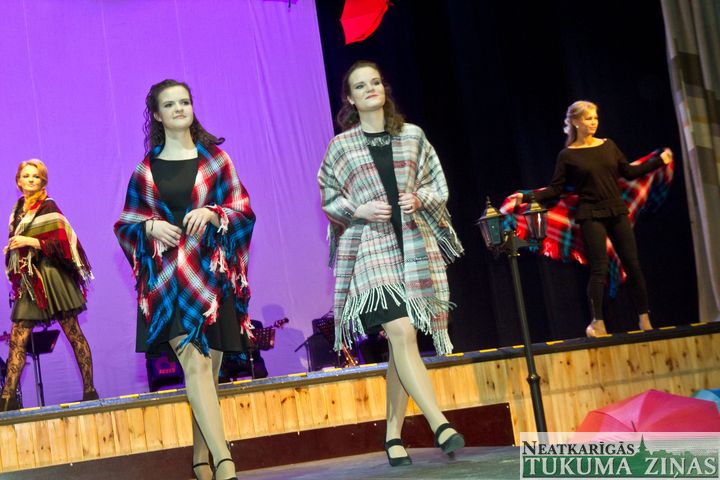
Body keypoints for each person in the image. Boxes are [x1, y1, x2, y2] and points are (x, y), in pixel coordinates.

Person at [318, 60, 466, 467]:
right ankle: (439, 423)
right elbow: (329, 197)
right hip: (370, 247)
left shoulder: (412, 136)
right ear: (350, 99)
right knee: (401, 330)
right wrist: (359, 209)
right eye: (360, 86)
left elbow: (437, 184)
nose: (370, 89)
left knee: (404, 344)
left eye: (375, 82)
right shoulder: (341, 147)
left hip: (413, 245)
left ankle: (392, 436)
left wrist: (419, 198)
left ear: (384, 88)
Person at [114, 79, 254, 480]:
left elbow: (243, 211)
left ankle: (200, 460)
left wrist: (214, 214)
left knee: (208, 375)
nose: (179, 109)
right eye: (170, 104)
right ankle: (226, 463)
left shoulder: (217, 161)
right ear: (157, 116)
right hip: (168, 285)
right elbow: (125, 225)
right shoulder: (145, 171)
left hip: (213, 282)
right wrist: (149, 228)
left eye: (185, 102)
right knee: (196, 365)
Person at [509, 100, 672, 337]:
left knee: (633, 266)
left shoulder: (608, 145)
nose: (594, 122)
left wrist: (659, 161)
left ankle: (644, 319)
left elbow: (629, 172)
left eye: (595, 118)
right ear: (575, 122)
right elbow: (555, 190)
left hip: (616, 211)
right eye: (588, 118)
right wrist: (525, 197)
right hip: (590, 215)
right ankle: (597, 323)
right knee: (599, 269)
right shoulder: (567, 155)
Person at [1, 159, 97, 411]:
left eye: (36, 176)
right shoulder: (17, 211)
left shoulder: (48, 206)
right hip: (30, 279)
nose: (31, 180)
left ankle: (90, 391)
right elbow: (19, 243)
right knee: (17, 338)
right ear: (18, 181)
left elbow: (64, 244)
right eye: (26, 176)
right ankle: (7, 400)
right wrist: (13, 250)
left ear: (42, 181)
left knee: (73, 332)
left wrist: (31, 242)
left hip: (53, 277)